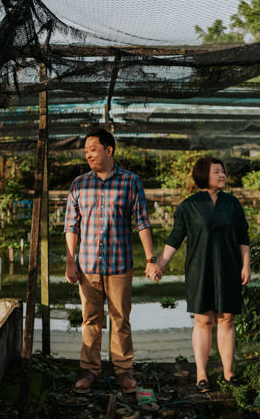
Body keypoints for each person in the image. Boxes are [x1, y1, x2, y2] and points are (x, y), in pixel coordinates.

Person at [64, 128, 163, 395]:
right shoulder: (79, 184)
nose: (88, 156)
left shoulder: (131, 181)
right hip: (88, 265)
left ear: (109, 151)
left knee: (120, 319)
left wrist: (151, 258)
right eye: (86, 152)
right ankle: (90, 371)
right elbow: (71, 225)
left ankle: (123, 372)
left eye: (93, 150)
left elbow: (142, 222)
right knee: (90, 320)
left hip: (120, 265)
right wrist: (70, 261)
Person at [151, 156, 250, 393]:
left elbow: (243, 237)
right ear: (204, 175)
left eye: (223, 171)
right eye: (217, 172)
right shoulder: (189, 205)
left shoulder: (232, 203)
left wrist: (246, 265)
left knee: (227, 318)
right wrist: (161, 264)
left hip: (228, 266)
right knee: (203, 320)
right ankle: (202, 375)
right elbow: (176, 237)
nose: (223, 175)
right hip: (200, 268)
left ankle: (228, 372)